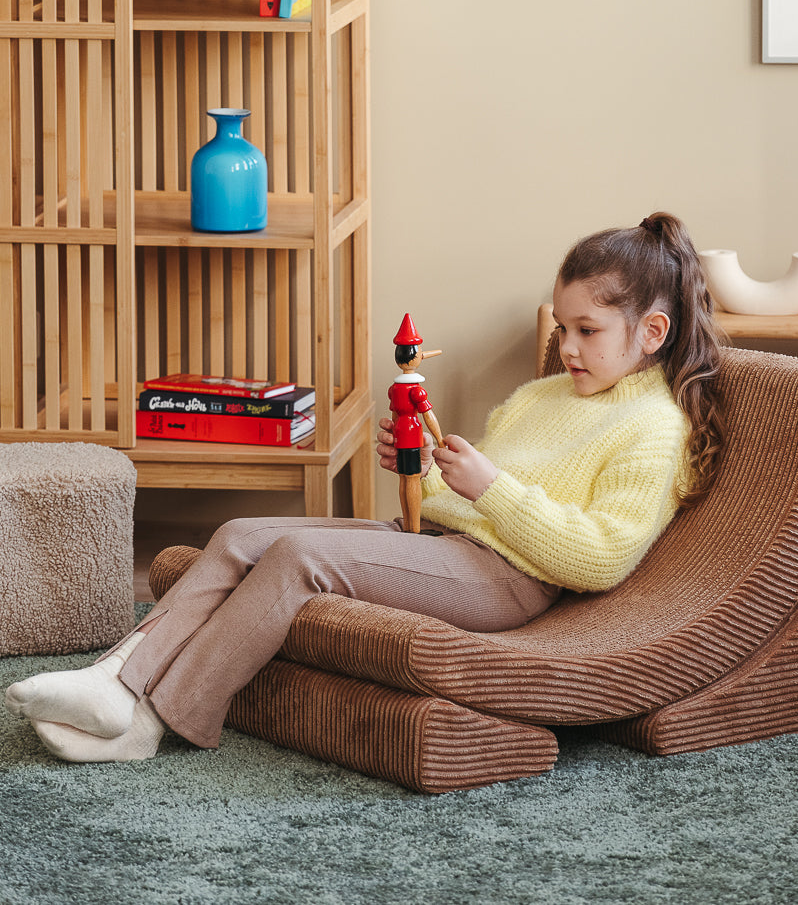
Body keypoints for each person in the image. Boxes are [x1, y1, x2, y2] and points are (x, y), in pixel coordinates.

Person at [4, 212, 725, 764]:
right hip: (439, 542)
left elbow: (598, 556)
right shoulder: (543, 395)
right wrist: (423, 468)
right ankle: (114, 680)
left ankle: (157, 720)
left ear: (651, 330)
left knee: (293, 555)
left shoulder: (651, 428)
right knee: (237, 535)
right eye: (564, 326)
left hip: (507, 579)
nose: (566, 345)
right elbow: (465, 486)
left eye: (587, 329)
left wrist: (491, 489)